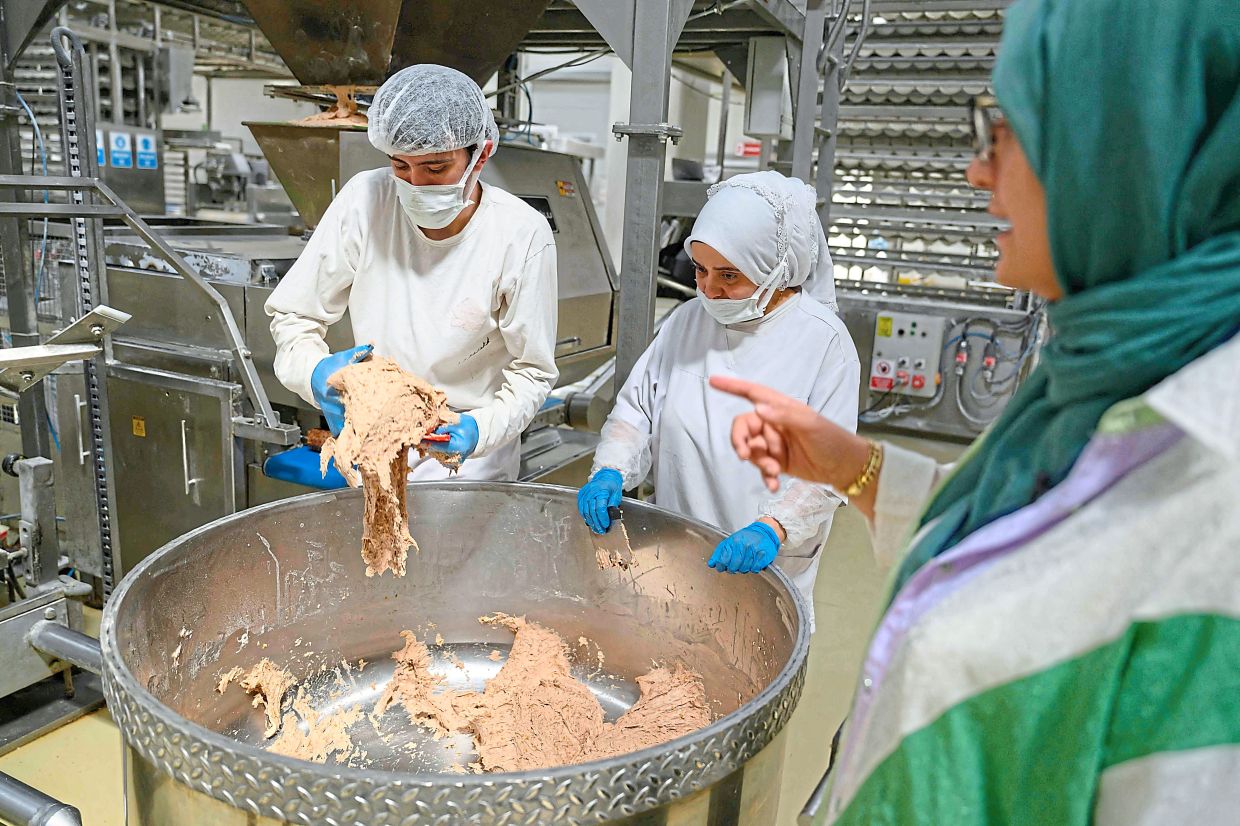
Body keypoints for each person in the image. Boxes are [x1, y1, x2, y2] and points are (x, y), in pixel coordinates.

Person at [714, 0, 1240, 822]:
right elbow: (1033, 543)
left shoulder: (1221, 513)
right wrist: (853, 467)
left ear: (1126, 151)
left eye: (1008, 130)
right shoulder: (1099, 369)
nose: (975, 171)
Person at [577, 171, 860, 627]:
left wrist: (774, 529)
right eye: (701, 270)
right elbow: (638, 410)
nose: (708, 289)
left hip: (769, 558)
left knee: (750, 656)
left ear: (775, 266)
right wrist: (611, 467)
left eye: (729, 275)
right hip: (679, 543)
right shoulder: (688, 321)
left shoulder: (823, 342)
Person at [265, 64, 558, 481]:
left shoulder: (520, 234)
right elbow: (295, 315)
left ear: (482, 154)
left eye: (436, 168)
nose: (415, 183)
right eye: (400, 166)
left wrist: (479, 431)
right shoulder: (366, 201)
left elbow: (533, 371)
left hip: (471, 469)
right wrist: (314, 371)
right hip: (373, 448)